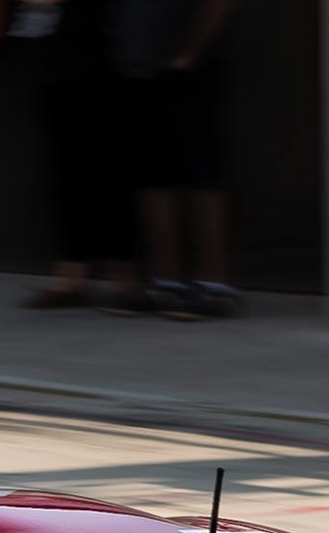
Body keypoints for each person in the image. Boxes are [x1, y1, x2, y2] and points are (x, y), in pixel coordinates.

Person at [112, 0, 240, 317]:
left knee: (201, 172)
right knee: (152, 176)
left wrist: (193, 51)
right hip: (138, 63)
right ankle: (165, 283)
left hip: (192, 62)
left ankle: (215, 287)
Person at [10, 1, 139, 311]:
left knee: (107, 170)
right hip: (52, 66)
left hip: (95, 62)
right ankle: (72, 276)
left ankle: (123, 275)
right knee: (66, 172)